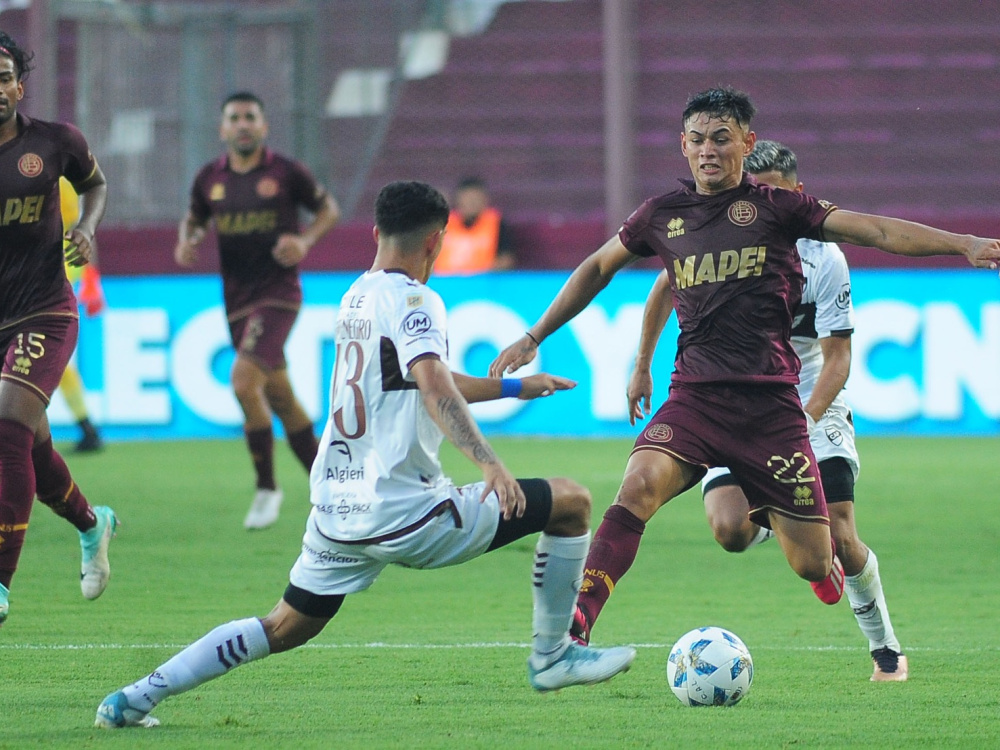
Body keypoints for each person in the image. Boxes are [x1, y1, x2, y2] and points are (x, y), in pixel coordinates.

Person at [95, 181, 635, 728]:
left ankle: (136, 696)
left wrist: (517, 388)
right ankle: (553, 655)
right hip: (403, 510)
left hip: (337, 509)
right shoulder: (417, 299)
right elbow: (434, 387)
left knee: (284, 626)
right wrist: (489, 463)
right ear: (435, 241)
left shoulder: (358, 295)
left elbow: (419, 379)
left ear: (377, 233)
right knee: (571, 503)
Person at [489, 87, 999, 660]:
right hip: (696, 399)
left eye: (722, 139)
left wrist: (965, 243)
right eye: (698, 140)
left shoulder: (780, 210)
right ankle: (577, 623)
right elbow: (599, 267)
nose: (709, 150)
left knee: (814, 556)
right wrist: (536, 335)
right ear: (683, 146)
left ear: (746, 143)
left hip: (771, 409)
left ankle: (833, 581)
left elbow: (874, 229)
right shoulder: (662, 214)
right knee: (637, 488)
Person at [629, 140, 906, 681]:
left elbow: (837, 359)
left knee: (841, 540)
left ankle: (886, 650)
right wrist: (641, 364)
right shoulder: (724, 236)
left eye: (779, 192)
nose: (767, 203)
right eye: (761, 193)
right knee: (729, 531)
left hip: (805, 401)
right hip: (735, 398)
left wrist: (801, 419)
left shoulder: (826, 259)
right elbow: (665, 282)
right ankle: (790, 529)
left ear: (798, 193)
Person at [174, 91, 341, 530]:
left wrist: (304, 241)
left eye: (251, 117)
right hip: (236, 299)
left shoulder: (286, 172)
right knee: (281, 397)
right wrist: (187, 239)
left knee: (243, 380)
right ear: (223, 128)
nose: (243, 124)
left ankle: (267, 487)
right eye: (235, 118)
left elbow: (328, 209)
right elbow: (193, 218)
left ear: (264, 126)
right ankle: (335, 491)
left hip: (279, 293)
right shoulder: (209, 178)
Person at [0, 31, 119, 625]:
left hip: (44, 308)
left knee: (6, 425)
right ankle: (93, 526)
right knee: (32, 441)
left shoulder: (53, 143)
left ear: (20, 84)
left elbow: (95, 184)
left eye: (3, 76)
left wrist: (88, 227)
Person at [58, 176, 104, 453]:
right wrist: (91, 274)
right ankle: (87, 427)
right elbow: (82, 228)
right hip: (61, 261)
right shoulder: (61, 170)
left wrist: (91, 276)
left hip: (47, 263)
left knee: (40, 351)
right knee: (50, 356)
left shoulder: (50, 172)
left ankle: (87, 427)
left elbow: (76, 227)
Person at [433, 176, 516, 275]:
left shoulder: (496, 222)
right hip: (444, 282)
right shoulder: (442, 223)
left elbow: (506, 259)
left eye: (476, 198)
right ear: (458, 200)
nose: (472, 202)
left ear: (485, 200)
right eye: (468, 198)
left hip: (484, 283)